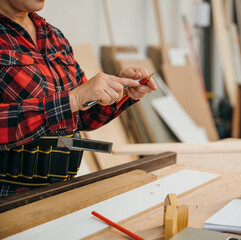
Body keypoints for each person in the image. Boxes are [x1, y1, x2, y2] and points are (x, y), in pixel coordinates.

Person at [0, 0, 157, 198]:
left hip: (61, 190)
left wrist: (121, 89)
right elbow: (71, 102)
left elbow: (81, 117)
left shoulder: (53, 36)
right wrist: (72, 99)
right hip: (8, 200)